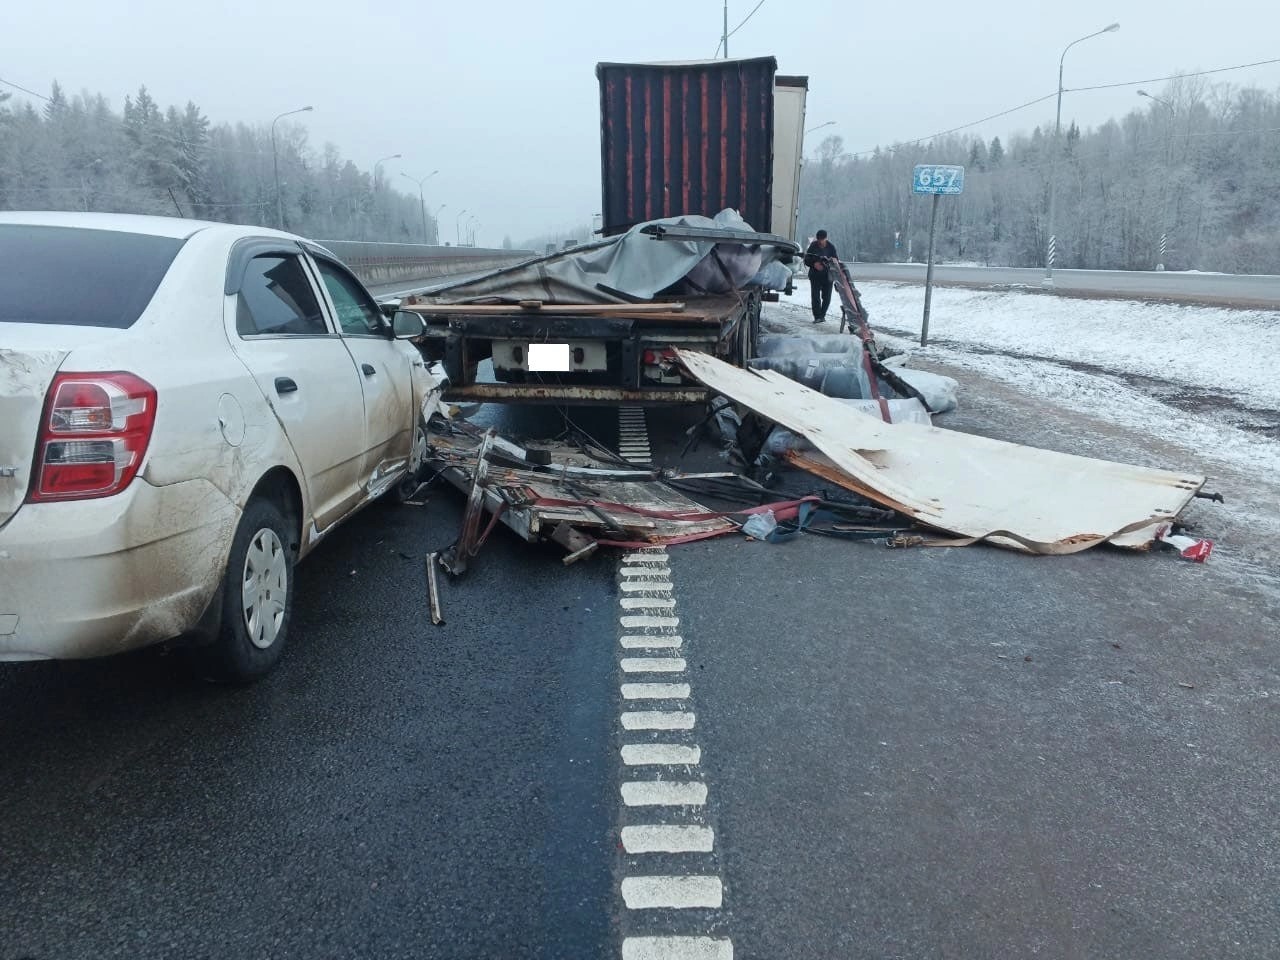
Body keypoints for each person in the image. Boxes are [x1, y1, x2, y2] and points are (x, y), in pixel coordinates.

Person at [803, 229, 839, 322]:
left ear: (826, 238)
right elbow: (806, 259)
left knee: (826, 297)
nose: (820, 242)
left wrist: (833, 261)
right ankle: (817, 316)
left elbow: (836, 261)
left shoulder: (831, 247)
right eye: (819, 240)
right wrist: (814, 264)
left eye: (822, 240)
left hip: (827, 276)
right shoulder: (813, 246)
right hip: (815, 275)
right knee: (815, 296)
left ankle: (822, 315)